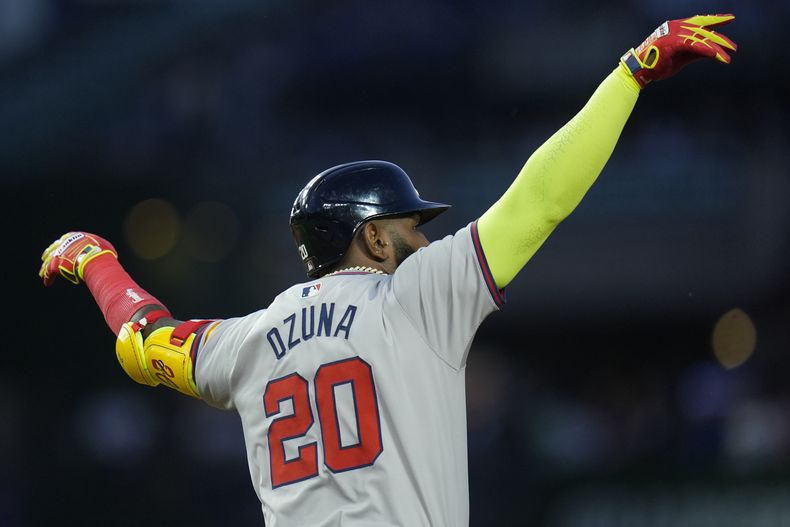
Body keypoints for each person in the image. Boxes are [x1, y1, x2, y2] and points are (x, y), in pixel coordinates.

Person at [39, 14, 737, 527]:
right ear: (372, 238)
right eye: (412, 227)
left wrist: (98, 261)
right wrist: (631, 75)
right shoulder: (415, 299)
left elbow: (141, 340)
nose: (425, 242)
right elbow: (542, 199)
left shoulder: (247, 339)